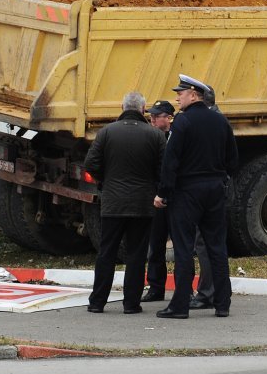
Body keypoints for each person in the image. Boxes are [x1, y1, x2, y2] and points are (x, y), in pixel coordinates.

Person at [154, 75, 238, 319]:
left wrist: (163, 193)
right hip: (215, 190)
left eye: (181, 93)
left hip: (187, 192)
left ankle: (180, 305)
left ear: (193, 94)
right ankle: (222, 304)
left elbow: (171, 160)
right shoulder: (221, 121)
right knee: (216, 247)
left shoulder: (183, 121)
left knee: (183, 248)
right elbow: (233, 160)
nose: (177, 97)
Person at [84, 91, 166, 314]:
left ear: (122, 107)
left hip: (112, 203)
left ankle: (97, 302)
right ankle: (131, 304)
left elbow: (90, 164)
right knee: (137, 254)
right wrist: (154, 187)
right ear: (143, 109)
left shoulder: (107, 132)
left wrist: (106, 180)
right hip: (142, 204)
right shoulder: (155, 135)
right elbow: (163, 170)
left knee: (106, 252)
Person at [143, 97, 217, 309]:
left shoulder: (180, 135)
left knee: (184, 247)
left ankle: (187, 290)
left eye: (156, 117)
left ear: (169, 118)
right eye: (151, 117)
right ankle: (156, 287)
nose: (152, 121)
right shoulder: (153, 138)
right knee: (155, 244)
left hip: (178, 199)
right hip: (159, 198)